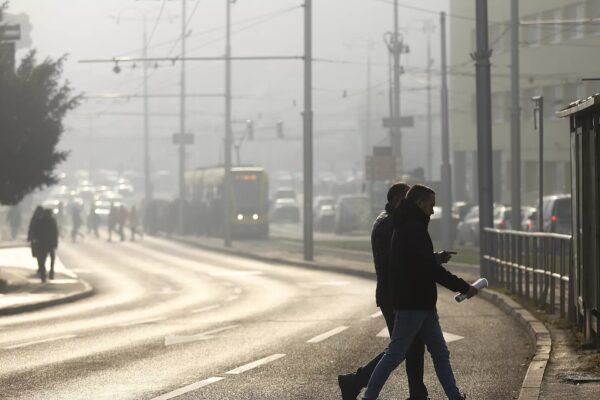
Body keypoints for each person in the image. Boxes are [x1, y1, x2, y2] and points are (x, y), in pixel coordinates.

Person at [362, 184, 478, 400]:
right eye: (431, 205)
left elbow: (419, 262)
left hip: (422, 302)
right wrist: (464, 287)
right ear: (419, 203)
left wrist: (433, 260)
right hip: (412, 302)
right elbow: (429, 269)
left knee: (440, 353)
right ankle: (369, 397)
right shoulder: (412, 228)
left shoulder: (408, 225)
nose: (433, 211)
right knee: (395, 354)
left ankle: (455, 396)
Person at [338, 182, 430, 400]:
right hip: (394, 295)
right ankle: (356, 381)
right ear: (397, 199)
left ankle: (416, 393)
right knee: (404, 346)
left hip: (393, 293)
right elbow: (400, 258)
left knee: (409, 345)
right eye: (407, 199)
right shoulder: (389, 224)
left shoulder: (388, 221)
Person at [31, 209, 58, 282]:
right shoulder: (41, 221)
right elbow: (35, 231)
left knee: (50, 258)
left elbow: (55, 232)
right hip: (43, 243)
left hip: (48, 243)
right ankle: (44, 273)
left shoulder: (51, 221)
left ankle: (50, 271)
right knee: (42, 259)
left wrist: (55, 243)